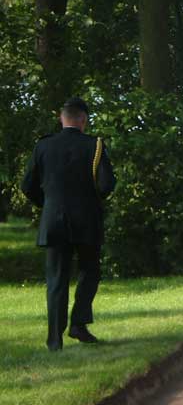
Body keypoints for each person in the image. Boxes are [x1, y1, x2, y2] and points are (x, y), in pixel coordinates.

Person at [21, 97, 116, 351]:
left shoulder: (43, 146)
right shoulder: (94, 145)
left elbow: (27, 185)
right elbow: (107, 185)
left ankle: (55, 340)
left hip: (53, 221)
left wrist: (48, 204)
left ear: (61, 119)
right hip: (87, 221)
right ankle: (78, 323)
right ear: (83, 120)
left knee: (56, 279)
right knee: (90, 272)